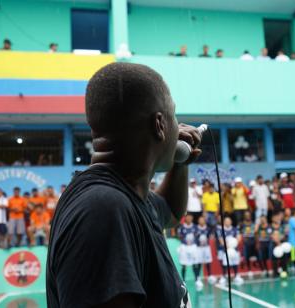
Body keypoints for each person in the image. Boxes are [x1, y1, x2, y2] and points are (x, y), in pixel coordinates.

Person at [47, 62, 202, 307]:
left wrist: (180, 163)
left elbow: (171, 212)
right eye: (174, 115)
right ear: (160, 125)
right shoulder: (102, 209)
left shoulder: (130, 195)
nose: (178, 125)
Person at [216, 216, 243, 286]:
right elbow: (221, 239)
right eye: (226, 221)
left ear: (231, 222)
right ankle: (224, 277)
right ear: (224, 222)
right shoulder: (221, 230)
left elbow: (239, 237)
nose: (227, 222)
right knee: (225, 264)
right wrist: (227, 246)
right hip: (225, 250)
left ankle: (236, 276)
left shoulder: (235, 229)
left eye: (229, 221)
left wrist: (234, 244)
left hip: (234, 249)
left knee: (235, 263)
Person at [177, 215, 198, 281]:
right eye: (187, 217)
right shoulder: (182, 227)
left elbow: (196, 235)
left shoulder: (195, 226)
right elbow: (179, 236)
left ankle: (197, 280)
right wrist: (185, 241)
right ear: (185, 218)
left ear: (192, 218)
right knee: (184, 264)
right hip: (184, 247)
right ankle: (183, 280)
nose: (189, 219)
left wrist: (192, 242)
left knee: (195, 264)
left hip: (193, 247)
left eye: (190, 217)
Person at [194, 216, 213, 286]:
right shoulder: (195, 228)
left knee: (208, 261)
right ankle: (198, 278)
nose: (202, 221)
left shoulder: (208, 228)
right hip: (199, 248)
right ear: (198, 221)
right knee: (199, 262)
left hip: (206, 247)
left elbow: (209, 236)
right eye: (200, 220)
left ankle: (210, 275)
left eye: (203, 220)